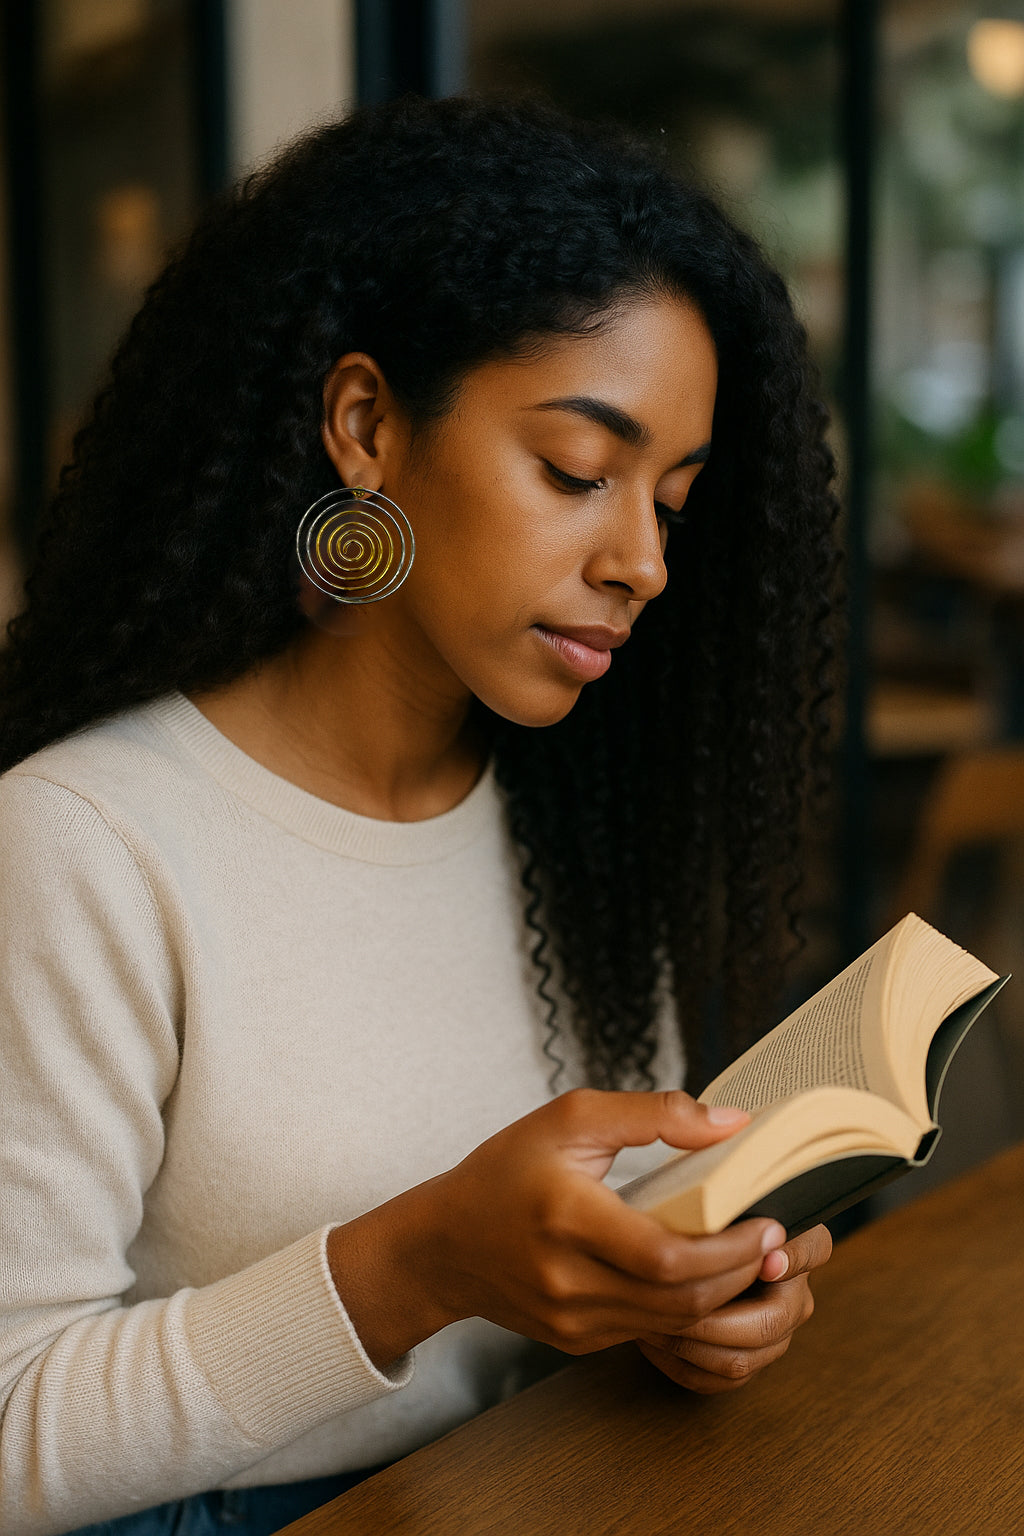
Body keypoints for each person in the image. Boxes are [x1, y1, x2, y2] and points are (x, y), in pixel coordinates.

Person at [0, 95, 837, 1536]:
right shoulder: (86, 841)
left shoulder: (575, 821)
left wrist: (683, 1305)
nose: (639, 558)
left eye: (674, 503)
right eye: (578, 471)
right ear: (368, 425)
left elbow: (585, 1253)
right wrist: (416, 1267)